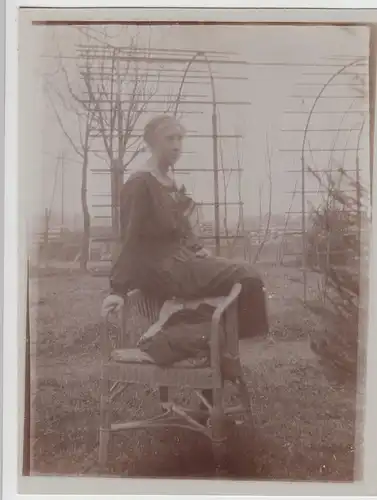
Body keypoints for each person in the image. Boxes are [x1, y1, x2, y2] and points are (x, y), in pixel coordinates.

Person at [102, 114, 269, 341]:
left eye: (180, 139)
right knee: (247, 275)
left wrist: (197, 247)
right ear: (152, 143)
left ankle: (198, 334)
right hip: (162, 271)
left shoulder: (168, 182)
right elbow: (129, 238)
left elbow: (182, 226)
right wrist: (118, 290)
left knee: (247, 276)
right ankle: (198, 338)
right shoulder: (140, 184)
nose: (176, 146)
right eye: (169, 139)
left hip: (181, 261)